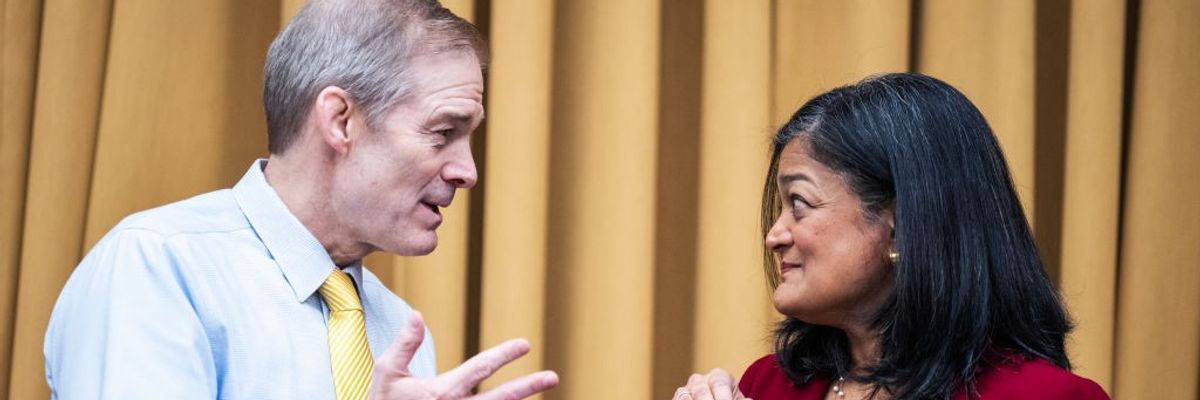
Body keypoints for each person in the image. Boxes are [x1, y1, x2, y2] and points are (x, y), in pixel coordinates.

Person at [43, 0, 557, 399]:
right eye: (443, 132)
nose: (467, 172)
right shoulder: (158, 266)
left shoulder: (399, 329)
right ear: (340, 121)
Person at [673, 73, 1109, 399]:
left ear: (900, 222)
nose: (774, 235)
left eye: (799, 204)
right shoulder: (768, 384)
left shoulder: (1045, 396)